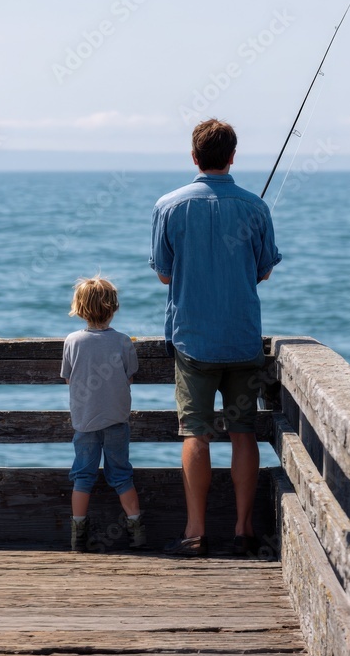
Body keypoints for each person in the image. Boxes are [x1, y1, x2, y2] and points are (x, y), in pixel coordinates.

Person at [150, 119, 281, 557]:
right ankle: (244, 530)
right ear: (232, 157)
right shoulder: (256, 208)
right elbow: (263, 269)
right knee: (243, 433)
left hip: (193, 341)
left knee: (196, 435)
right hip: (243, 338)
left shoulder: (169, 206)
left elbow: (165, 273)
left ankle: (195, 531)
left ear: (194, 157)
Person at [61, 277, 146, 552]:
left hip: (84, 422)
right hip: (117, 421)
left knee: (82, 476)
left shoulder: (72, 341)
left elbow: (67, 378)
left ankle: (77, 537)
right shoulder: (122, 341)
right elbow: (129, 376)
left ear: (80, 309)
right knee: (121, 476)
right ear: (113, 308)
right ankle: (137, 533)